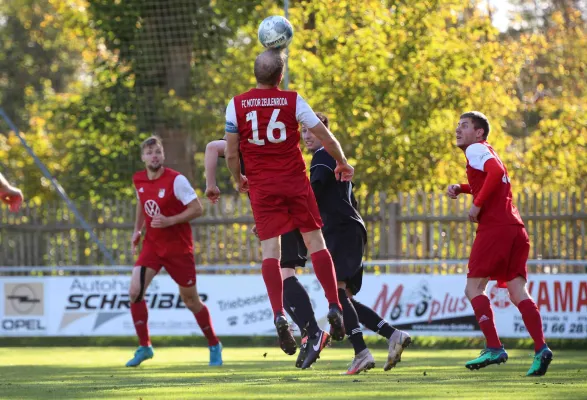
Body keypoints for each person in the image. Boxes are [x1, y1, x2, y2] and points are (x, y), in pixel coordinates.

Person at [224, 48, 353, 358]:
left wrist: (236, 177)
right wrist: (342, 162)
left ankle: (279, 313)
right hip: (295, 184)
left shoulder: (236, 105)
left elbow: (230, 152)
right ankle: (334, 306)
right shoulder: (293, 100)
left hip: (263, 187)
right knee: (315, 242)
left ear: (255, 74)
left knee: (271, 251)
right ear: (280, 76)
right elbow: (326, 137)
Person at [302, 113, 411, 374]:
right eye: (303, 131)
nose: (306, 136)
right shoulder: (336, 158)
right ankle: (392, 334)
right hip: (349, 229)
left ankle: (361, 352)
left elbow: (310, 194)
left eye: (311, 131)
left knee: (337, 294)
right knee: (344, 297)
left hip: (341, 230)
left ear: (324, 132)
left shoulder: (323, 156)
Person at [204, 138, 328, 369]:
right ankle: (308, 332)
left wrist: (212, 184)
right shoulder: (269, 138)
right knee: (282, 275)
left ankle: (312, 332)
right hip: (285, 209)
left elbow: (212, 147)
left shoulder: (243, 144)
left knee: (284, 273)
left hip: (283, 211)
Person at [448, 111, 552, 376]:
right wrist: (463, 187)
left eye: (465, 126)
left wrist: (477, 204)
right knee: (518, 292)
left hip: (495, 228)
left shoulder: (475, 149)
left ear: (479, 132)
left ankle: (494, 347)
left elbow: (494, 173)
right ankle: (541, 349)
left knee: (474, 288)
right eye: (458, 126)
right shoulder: (486, 150)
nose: (458, 130)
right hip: (515, 228)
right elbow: (495, 178)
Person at [126, 136, 222, 367]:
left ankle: (213, 344)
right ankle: (145, 346)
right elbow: (142, 201)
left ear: (163, 155)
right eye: (149, 153)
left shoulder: (176, 180)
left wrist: (170, 220)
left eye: (157, 152)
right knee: (134, 292)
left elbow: (197, 208)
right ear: (143, 157)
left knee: (190, 301)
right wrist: (137, 230)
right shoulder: (138, 179)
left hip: (178, 248)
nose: (154, 156)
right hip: (153, 245)